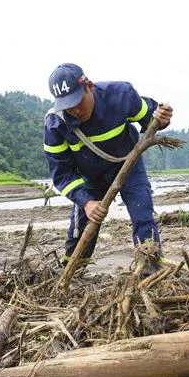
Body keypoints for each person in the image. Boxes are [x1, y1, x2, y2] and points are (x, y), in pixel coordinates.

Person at [43, 63, 173, 270]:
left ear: (89, 87)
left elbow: (151, 121)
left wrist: (162, 119)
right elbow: (62, 173)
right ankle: (72, 269)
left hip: (128, 166)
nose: (75, 110)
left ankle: (150, 266)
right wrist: (86, 202)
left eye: (77, 101)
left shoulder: (121, 95)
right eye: (67, 106)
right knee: (82, 227)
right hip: (90, 177)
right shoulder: (55, 124)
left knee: (142, 211)